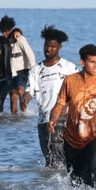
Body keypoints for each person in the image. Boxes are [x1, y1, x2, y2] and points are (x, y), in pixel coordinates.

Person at [48, 44, 96, 188]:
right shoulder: (70, 81)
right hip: (72, 139)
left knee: (93, 173)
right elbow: (60, 103)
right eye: (92, 62)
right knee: (76, 181)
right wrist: (52, 120)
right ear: (82, 62)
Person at [22, 25, 79, 167]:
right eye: (46, 46)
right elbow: (30, 91)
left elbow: (78, 93)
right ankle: (52, 187)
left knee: (58, 155)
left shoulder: (69, 68)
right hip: (43, 120)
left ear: (59, 47)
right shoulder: (36, 70)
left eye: (52, 47)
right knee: (50, 159)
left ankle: (65, 184)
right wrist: (25, 99)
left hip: (64, 118)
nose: (48, 49)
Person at [0, 15, 36, 114]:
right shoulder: (4, 41)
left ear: (10, 29)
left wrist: (33, 71)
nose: (4, 34)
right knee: (13, 96)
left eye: (5, 31)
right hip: (10, 72)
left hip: (23, 71)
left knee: (20, 91)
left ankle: (24, 114)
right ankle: (14, 118)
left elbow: (30, 54)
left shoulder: (20, 39)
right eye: (2, 32)